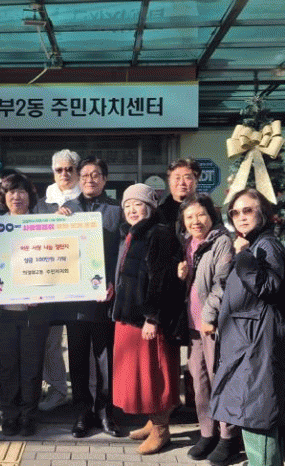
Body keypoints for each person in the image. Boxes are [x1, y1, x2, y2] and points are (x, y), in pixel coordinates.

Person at [210, 189, 285, 466]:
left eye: (248, 210)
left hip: (257, 351)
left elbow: (270, 286)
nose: (241, 216)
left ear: (262, 213)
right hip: (248, 348)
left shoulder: (266, 246)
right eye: (235, 212)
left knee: (259, 424)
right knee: (254, 423)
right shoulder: (255, 245)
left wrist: (242, 257)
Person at [53, 157, 122, 437]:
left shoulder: (116, 210)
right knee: (78, 356)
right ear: (78, 180)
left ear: (104, 179)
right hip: (75, 298)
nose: (90, 180)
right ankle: (82, 411)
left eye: (95, 175)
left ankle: (106, 411)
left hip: (104, 297)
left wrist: (113, 282)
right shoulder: (67, 209)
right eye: (84, 175)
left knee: (105, 358)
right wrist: (55, 222)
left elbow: (122, 252)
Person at [112, 183, 182, 454]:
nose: (132, 210)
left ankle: (162, 429)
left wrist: (152, 317)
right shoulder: (131, 233)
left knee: (154, 374)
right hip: (129, 316)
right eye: (127, 205)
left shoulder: (159, 233)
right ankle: (152, 421)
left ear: (150, 208)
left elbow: (161, 279)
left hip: (147, 319)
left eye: (138, 204)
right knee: (139, 376)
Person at [175, 194, 238, 464]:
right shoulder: (188, 243)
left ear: (212, 215)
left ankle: (228, 437)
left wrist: (209, 317)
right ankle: (207, 432)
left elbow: (222, 283)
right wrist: (183, 276)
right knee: (199, 381)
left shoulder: (222, 242)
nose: (195, 221)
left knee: (218, 379)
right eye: (189, 217)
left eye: (201, 214)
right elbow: (194, 285)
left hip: (213, 325)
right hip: (193, 326)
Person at [0, 173, 50, 437]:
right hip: (3, 312)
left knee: (32, 368)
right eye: (11, 191)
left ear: (30, 196)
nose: (17, 196)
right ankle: (8, 415)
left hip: (35, 311)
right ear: (4, 197)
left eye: (22, 191)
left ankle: (28, 416)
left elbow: (56, 264)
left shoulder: (44, 224)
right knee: (6, 367)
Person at [36, 149, 82, 413]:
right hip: (50, 284)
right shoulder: (42, 204)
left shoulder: (87, 201)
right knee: (50, 342)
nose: (64, 174)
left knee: (82, 343)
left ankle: (88, 391)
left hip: (80, 283)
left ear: (77, 171)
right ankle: (57, 389)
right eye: (59, 170)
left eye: (69, 169)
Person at [158, 158, 201, 225]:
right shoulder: (158, 213)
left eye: (187, 178)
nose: (181, 183)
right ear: (169, 181)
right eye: (177, 178)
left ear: (196, 181)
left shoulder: (207, 211)